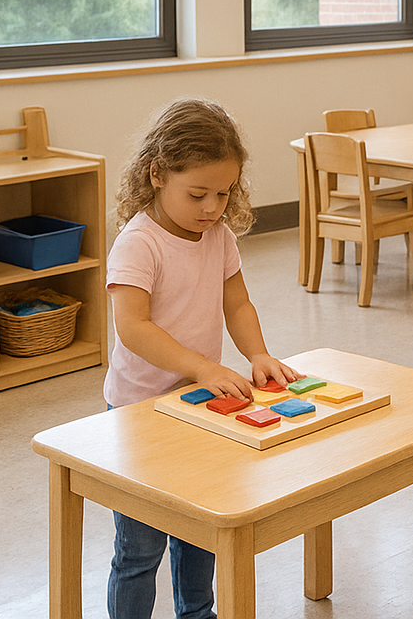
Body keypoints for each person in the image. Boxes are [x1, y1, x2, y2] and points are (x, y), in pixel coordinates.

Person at [103, 98, 301, 619]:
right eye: (197, 194)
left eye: (223, 193)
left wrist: (256, 353)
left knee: (201, 534)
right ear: (156, 174)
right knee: (140, 550)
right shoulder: (138, 243)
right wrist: (203, 366)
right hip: (140, 414)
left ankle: (197, 614)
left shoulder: (219, 237)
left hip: (199, 407)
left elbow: (236, 302)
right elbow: (134, 328)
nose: (212, 207)